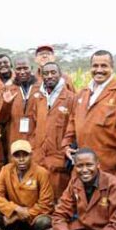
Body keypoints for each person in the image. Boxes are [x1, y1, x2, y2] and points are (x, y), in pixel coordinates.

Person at [0, 140, 54, 230]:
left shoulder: (41, 173)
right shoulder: (6, 170)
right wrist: (15, 209)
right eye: (17, 156)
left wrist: (21, 215)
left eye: (25, 155)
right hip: (14, 215)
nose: (21, 159)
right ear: (11, 157)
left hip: (33, 218)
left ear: (31, 155)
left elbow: (46, 204)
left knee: (44, 221)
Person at [31, 62, 76, 198]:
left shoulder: (70, 98)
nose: (49, 76)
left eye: (53, 72)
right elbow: (33, 126)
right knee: (38, 198)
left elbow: (74, 129)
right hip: (39, 159)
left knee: (59, 200)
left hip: (58, 160)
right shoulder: (38, 98)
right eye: (46, 73)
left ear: (60, 74)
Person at [0, 56, 38, 146]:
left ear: (31, 68)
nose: (22, 72)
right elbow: (1, 119)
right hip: (14, 137)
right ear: (13, 70)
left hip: (35, 137)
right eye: (19, 69)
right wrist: (6, 104)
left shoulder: (40, 88)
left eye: (25, 68)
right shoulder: (8, 89)